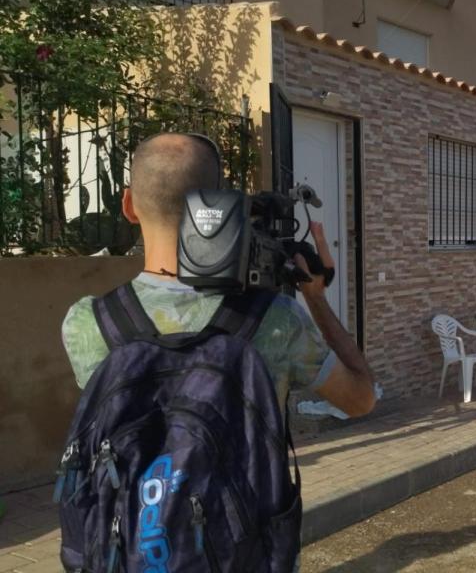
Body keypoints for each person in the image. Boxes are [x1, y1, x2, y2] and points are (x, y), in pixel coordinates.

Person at [61, 132, 375, 419]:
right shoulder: (280, 320)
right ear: (217, 207)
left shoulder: (88, 322)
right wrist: (316, 299)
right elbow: (361, 400)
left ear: (129, 205)